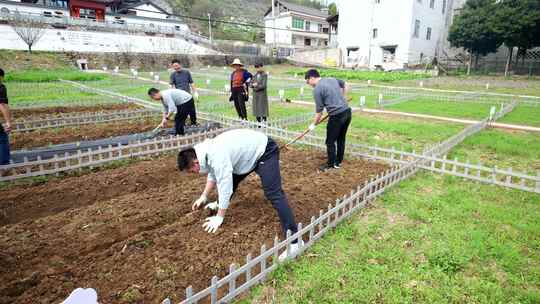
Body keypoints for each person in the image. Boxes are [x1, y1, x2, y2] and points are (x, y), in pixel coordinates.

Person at [178, 129, 302, 261]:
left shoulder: (216, 155)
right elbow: (213, 173)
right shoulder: (203, 153)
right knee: (232, 178)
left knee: (273, 193)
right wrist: (204, 196)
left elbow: (225, 187)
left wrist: (220, 217)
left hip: (264, 151)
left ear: (196, 163)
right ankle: (219, 204)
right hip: (245, 157)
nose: (193, 173)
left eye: (191, 171)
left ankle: (295, 242)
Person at [305, 69, 351, 172]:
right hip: (347, 112)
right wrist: (343, 97)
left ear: (312, 78)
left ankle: (330, 165)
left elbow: (319, 113)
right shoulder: (331, 79)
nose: (309, 84)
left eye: (308, 82)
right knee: (341, 139)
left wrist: (313, 125)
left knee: (330, 142)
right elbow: (346, 84)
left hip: (337, 116)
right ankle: (338, 162)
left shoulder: (317, 89)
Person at [170, 59, 198, 126]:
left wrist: (195, 92)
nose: (176, 67)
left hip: (188, 95)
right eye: (174, 66)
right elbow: (172, 85)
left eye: (177, 65)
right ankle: (183, 124)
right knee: (181, 111)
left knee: (192, 110)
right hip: (179, 97)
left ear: (180, 64)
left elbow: (191, 83)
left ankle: (193, 123)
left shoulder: (186, 72)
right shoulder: (173, 75)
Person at [0, 68, 11, 166]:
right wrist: (8, 122)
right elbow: (2, 105)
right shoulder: (1, 87)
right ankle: (4, 166)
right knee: (2, 138)